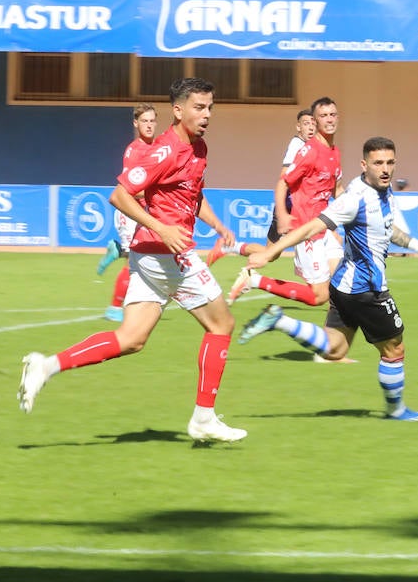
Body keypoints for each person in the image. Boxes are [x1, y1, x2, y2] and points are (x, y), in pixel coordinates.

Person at [18, 77, 248, 443]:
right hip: (167, 254)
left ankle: (46, 366)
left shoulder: (199, 148)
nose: (206, 115)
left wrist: (219, 226)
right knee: (222, 325)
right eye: (199, 108)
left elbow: (193, 196)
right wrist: (164, 228)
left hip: (151, 256)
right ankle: (204, 417)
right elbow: (120, 195)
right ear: (178, 110)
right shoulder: (165, 150)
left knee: (131, 339)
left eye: (210, 108)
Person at [237, 137, 418, 421]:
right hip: (366, 290)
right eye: (378, 163)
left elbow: (386, 229)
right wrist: (271, 251)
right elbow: (312, 227)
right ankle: (397, 411)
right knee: (394, 349)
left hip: (344, 286)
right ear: (364, 165)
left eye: (390, 163)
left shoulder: (383, 191)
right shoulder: (354, 198)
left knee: (335, 349)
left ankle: (279, 320)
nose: (385, 169)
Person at [227, 98, 345, 308]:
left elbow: (336, 187)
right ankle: (255, 280)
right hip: (307, 231)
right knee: (319, 297)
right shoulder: (308, 151)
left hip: (324, 228)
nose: (329, 120)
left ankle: (337, 332)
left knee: (342, 283)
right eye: (323, 116)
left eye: (333, 115)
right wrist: (282, 214)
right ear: (315, 121)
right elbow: (283, 183)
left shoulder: (334, 152)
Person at [96, 104, 159, 321]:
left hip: (144, 212)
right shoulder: (135, 151)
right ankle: (114, 308)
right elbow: (130, 190)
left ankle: (116, 249)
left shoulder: (157, 148)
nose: (149, 125)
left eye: (152, 121)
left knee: (149, 255)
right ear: (136, 123)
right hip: (130, 212)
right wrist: (158, 191)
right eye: (144, 121)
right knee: (133, 262)